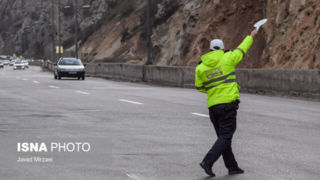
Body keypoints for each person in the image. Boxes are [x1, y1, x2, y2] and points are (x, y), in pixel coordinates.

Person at [195, 29, 259, 177]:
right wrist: (251, 36)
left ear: (210, 49)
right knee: (226, 137)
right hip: (227, 106)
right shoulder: (228, 58)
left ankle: (232, 167)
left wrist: (213, 91)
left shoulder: (200, 67)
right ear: (222, 48)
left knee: (223, 138)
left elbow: (199, 87)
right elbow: (242, 49)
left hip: (213, 107)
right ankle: (207, 162)